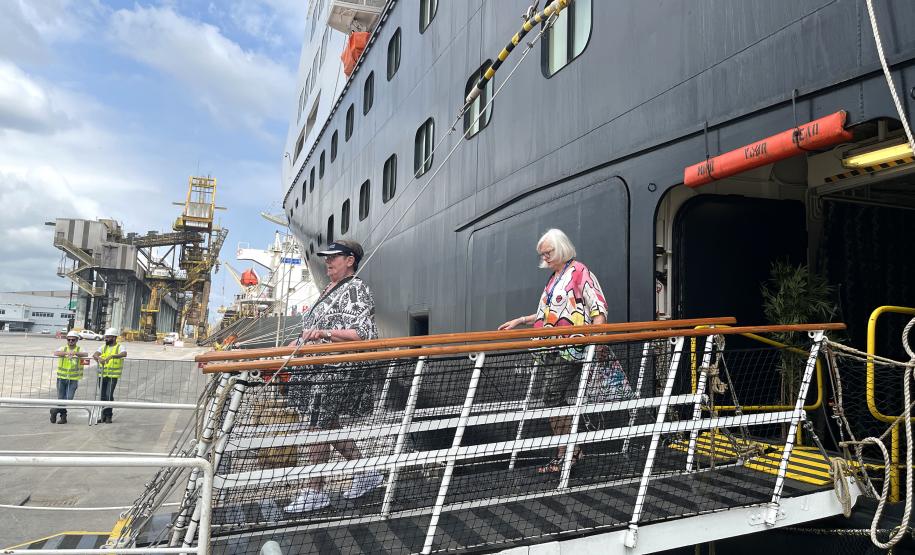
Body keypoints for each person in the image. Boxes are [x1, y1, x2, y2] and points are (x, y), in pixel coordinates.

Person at [499, 228, 609, 473]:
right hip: (552, 348)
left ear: (560, 248)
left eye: (547, 253)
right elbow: (548, 313)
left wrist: (598, 341)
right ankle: (569, 450)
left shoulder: (579, 272)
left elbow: (598, 309)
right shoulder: (554, 277)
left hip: (573, 347)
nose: (544, 258)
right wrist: (520, 320)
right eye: (542, 254)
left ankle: (569, 451)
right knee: (551, 398)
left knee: (551, 396)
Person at [284, 240, 382, 513]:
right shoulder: (329, 290)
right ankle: (365, 473)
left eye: (334, 257)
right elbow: (310, 330)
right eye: (327, 258)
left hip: (336, 369)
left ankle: (315, 491)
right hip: (318, 368)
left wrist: (323, 334)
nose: (327, 262)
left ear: (350, 260)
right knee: (327, 425)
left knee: (317, 423)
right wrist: (289, 349)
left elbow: (363, 333)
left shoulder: (356, 289)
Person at [51, 331, 88, 424]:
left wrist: (75, 353)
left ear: (76, 340)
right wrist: (67, 353)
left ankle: (54, 410)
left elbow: (85, 355)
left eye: (73, 339)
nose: (71, 341)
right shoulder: (63, 348)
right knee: (61, 398)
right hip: (61, 378)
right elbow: (55, 353)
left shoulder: (80, 349)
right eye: (69, 339)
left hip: (73, 379)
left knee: (69, 398)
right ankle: (63, 417)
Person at [92, 328, 127, 423]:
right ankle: (103, 415)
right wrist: (99, 358)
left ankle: (108, 416)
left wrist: (112, 356)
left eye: (108, 337)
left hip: (112, 376)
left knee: (108, 395)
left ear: (114, 338)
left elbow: (124, 354)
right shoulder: (103, 347)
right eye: (105, 337)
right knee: (102, 396)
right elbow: (95, 354)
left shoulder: (119, 347)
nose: (106, 339)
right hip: (102, 375)